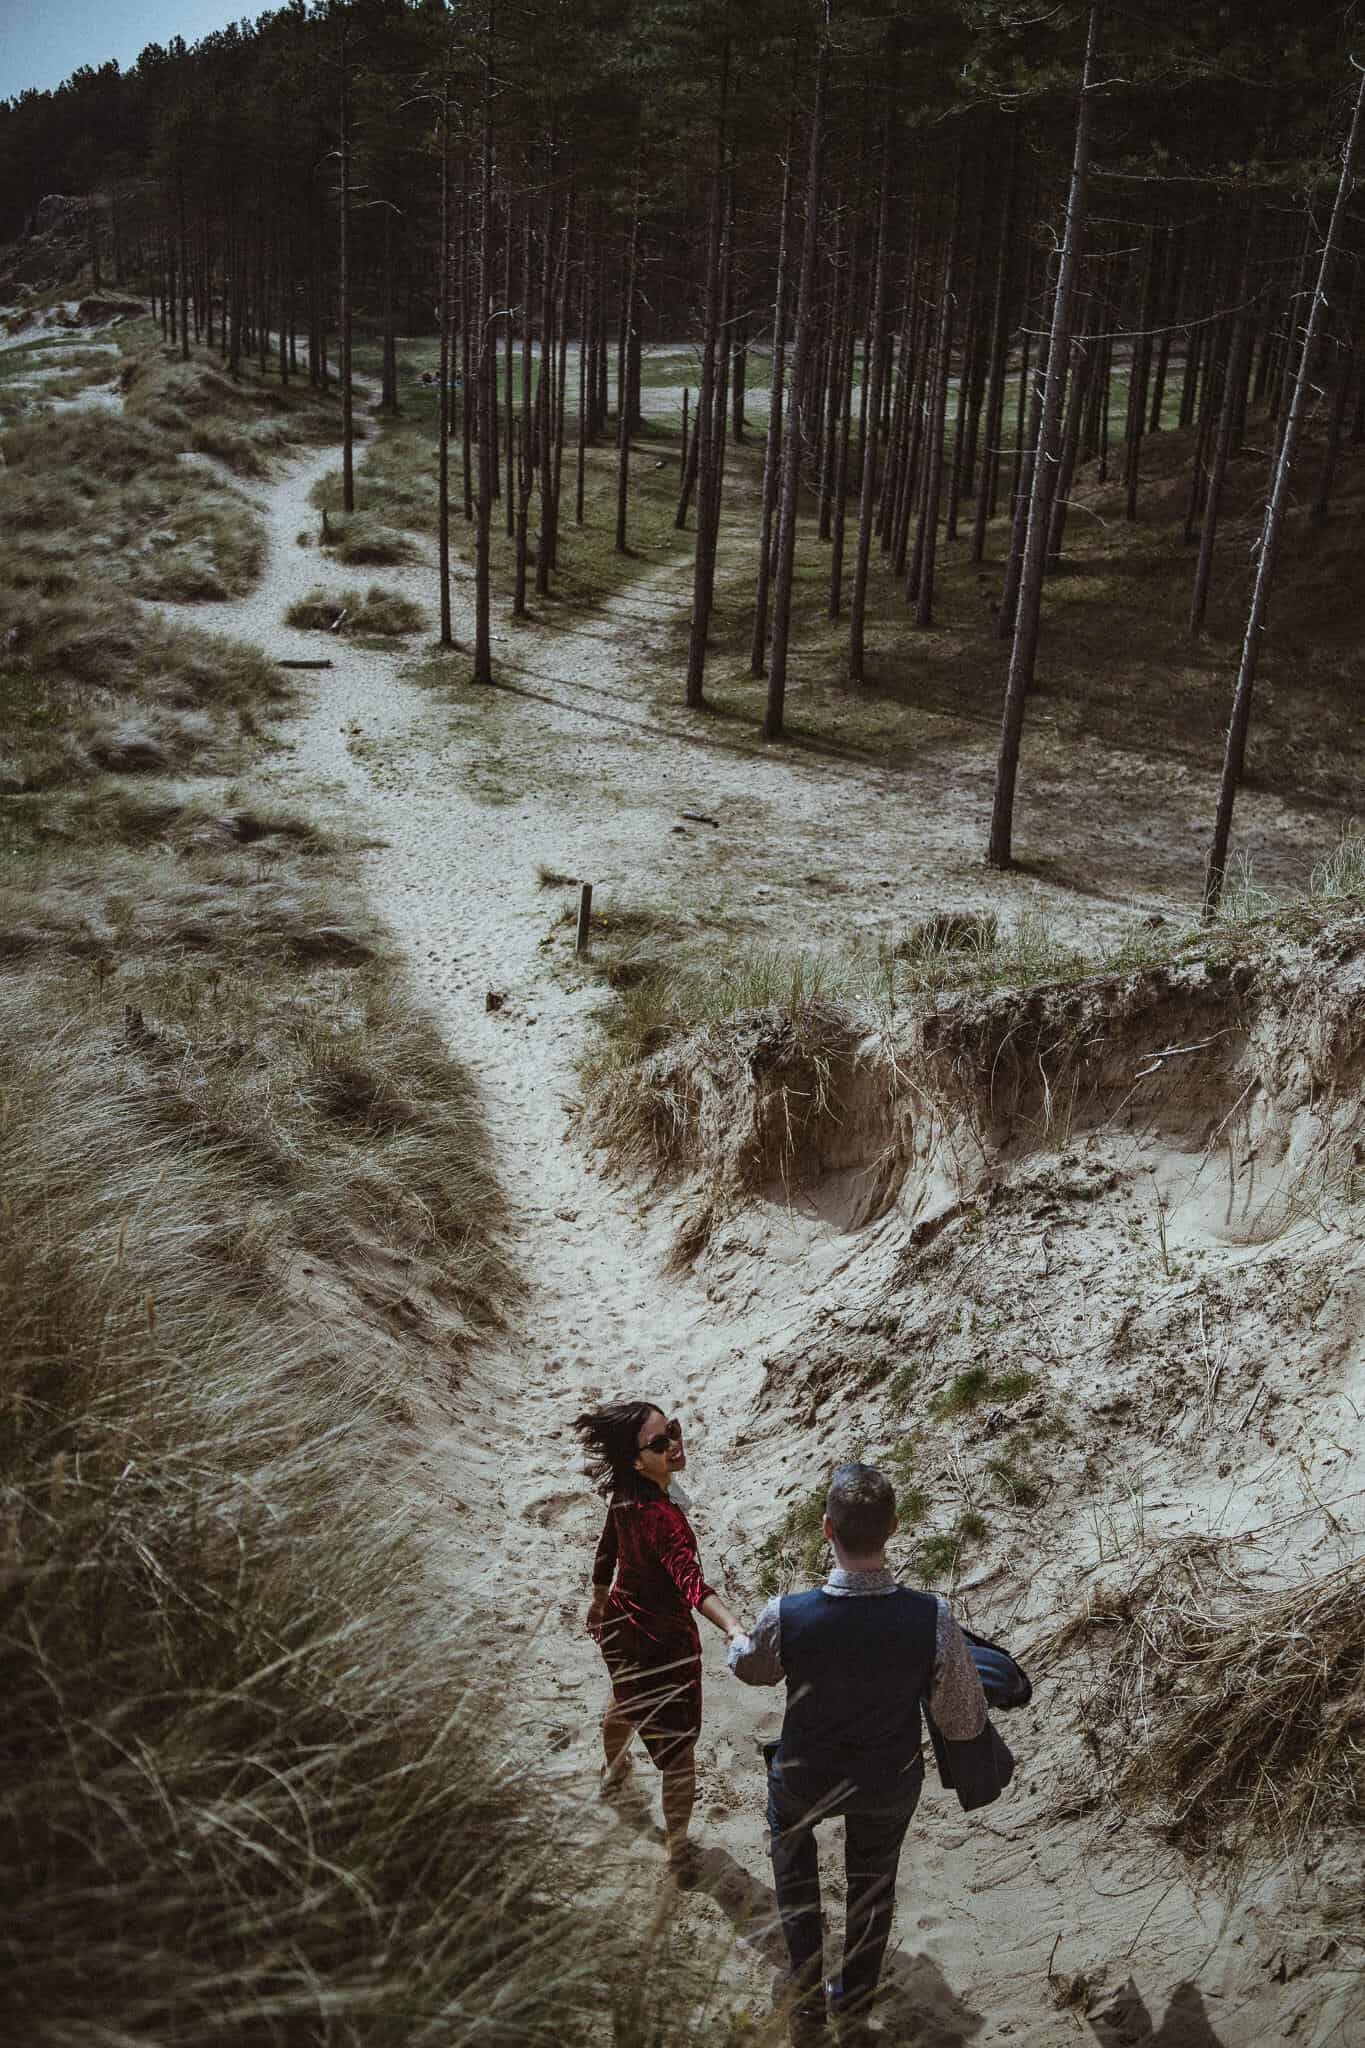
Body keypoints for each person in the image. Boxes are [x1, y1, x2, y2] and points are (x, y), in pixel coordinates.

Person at [729, 1462, 1012, 2045]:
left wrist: (739, 1641)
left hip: (806, 1772)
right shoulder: (930, 1616)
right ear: (895, 1527)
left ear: (826, 1528)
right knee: (873, 1882)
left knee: (790, 1844)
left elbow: (751, 1670)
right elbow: (959, 1717)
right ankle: (854, 1997)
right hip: (889, 1776)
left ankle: (806, 1992)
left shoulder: (787, 1613)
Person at [575, 1400, 744, 1882]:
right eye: (658, 1443)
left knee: (622, 1703)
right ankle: (676, 1849)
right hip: (663, 1646)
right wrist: (732, 1626)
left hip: (621, 1630)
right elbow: (693, 1586)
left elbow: (606, 1551)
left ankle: (613, 1770)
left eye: (672, 1431)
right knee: (678, 1758)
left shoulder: (625, 1496)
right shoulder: (665, 1519)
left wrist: (598, 1601)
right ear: (636, 1459)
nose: (674, 1445)